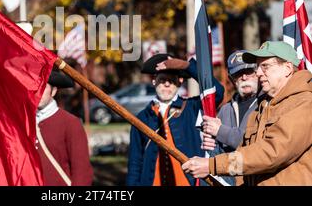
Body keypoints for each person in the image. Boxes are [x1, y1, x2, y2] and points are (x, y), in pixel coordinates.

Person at [182, 41, 312, 185]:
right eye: (257, 67)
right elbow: (244, 158)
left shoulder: (304, 103)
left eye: (265, 66)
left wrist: (212, 165)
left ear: (287, 68)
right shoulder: (262, 107)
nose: (258, 73)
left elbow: (270, 153)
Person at [126, 54, 224, 186]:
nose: (167, 84)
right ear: (154, 81)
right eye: (162, 80)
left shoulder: (191, 107)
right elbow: (135, 162)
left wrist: (188, 66)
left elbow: (217, 92)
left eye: (171, 80)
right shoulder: (142, 117)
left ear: (179, 82)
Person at [201, 50, 261, 185]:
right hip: (231, 178)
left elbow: (255, 145)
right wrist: (211, 143)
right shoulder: (225, 109)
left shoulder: (266, 104)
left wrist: (220, 131)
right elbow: (219, 150)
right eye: (238, 74)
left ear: (258, 73)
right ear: (232, 79)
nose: (244, 77)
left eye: (249, 71)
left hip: (258, 179)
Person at [36, 69, 93, 186]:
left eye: (43, 87)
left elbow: (81, 171)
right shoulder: (24, 122)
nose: (38, 92)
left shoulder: (71, 123)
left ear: (53, 91)